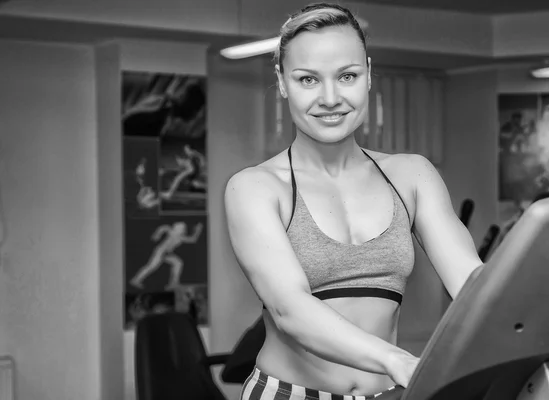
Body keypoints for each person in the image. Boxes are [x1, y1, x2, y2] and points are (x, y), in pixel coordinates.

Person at [224, 3, 483, 399]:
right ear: (281, 82)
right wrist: (398, 361)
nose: (330, 98)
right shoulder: (256, 188)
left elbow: (472, 284)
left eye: (347, 76)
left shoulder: (411, 176)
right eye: (308, 79)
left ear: (368, 75)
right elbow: (289, 309)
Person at [129, 221, 203, 290]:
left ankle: (173, 283)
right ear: (177, 228)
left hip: (167, 253)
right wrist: (157, 234)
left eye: (184, 228)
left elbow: (193, 239)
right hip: (161, 251)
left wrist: (198, 230)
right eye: (182, 228)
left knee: (178, 263)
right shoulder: (173, 232)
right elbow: (164, 227)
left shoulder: (180, 237)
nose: (184, 229)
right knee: (151, 266)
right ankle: (136, 280)